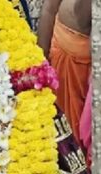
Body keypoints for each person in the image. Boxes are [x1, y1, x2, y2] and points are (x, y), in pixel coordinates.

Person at [37, 0, 91, 154]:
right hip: (57, 62)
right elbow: (49, 9)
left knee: (76, 145)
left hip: (84, 77)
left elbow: (81, 18)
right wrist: (39, 66)